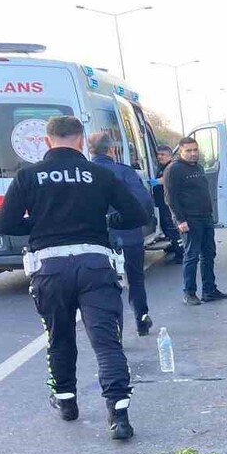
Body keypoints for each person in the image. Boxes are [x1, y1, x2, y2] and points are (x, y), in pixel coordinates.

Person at [0, 115, 147, 439]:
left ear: (47, 141)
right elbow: (138, 214)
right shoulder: (100, 174)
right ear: (80, 140)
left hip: (49, 268)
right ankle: (119, 416)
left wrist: (37, 227)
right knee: (106, 341)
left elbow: (4, 224)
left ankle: (67, 402)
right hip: (95, 264)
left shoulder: (28, 176)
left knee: (59, 337)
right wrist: (105, 222)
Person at [89, 132, 156, 336]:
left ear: (90, 151)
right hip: (128, 235)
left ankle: (115, 328)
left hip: (97, 240)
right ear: (112, 149)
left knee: (106, 285)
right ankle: (141, 320)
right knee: (135, 279)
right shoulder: (124, 172)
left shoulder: (85, 173)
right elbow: (143, 202)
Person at [164, 136, 227, 305]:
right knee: (191, 255)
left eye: (195, 150)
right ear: (180, 151)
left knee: (209, 254)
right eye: (189, 151)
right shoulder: (174, 169)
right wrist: (180, 220)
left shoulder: (198, 167)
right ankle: (189, 293)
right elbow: (170, 198)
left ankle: (209, 290)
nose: (193, 153)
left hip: (205, 218)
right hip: (189, 220)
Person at [151, 144, 183, 262]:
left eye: (163, 154)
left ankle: (181, 253)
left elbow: (167, 179)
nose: (160, 157)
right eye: (158, 154)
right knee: (165, 226)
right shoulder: (161, 167)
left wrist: (155, 182)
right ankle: (174, 246)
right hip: (162, 203)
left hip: (169, 203)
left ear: (169, 155)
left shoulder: (171, 166)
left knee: (172, 228)